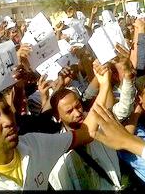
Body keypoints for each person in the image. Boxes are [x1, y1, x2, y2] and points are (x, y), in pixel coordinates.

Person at [0, 88, 96, 191]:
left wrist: (103, 84)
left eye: (7, 111)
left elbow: (86, 133)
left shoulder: (35, 145)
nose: (8, 121)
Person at [48, 61, 122, 190]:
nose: (77, 113)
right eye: (69, 111)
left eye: (78, 106)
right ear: (58, 117)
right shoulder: (57, 151)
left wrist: (105, 83)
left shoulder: (98, 123)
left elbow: (110, 110)